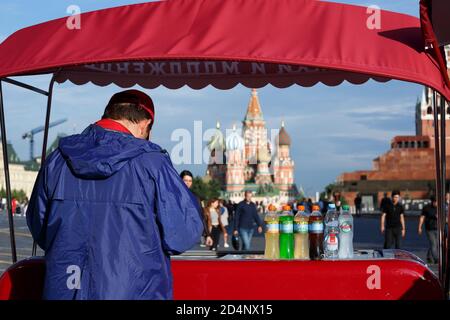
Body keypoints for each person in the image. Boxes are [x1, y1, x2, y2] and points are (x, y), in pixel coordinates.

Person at [26, 90, 203, 300]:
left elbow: (40, 226)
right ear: (145, 124)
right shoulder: (152, 163)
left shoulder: (57, 160)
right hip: (135, 291)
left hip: (65, 289)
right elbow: (183, 234)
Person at [180, 170, 213, 247]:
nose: (188, 183)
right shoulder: (173, 195)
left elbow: (201, 216)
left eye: (190, 181)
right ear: (180, 180)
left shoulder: (195, 198)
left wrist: (207, 235)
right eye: (185, 180)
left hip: (189, 235)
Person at [418, 196, 438, 264]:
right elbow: (422, 217)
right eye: (435, 202)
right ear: (432, 201)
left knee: (436, 244)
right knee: (433, 244)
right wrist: (419, 227)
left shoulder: (440, 208)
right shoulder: (427, 208)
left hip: (438, 228)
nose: (436, 203)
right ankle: (436, 259)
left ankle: (429, 256)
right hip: (429, 229)